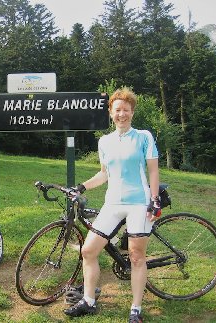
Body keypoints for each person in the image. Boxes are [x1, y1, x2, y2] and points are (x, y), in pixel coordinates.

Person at [63, 87, 161, 323]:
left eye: (126, 110)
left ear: (132, 112)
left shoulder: (144, 137)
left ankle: (135, 309)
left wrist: (154, 200)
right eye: (117, 110)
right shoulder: (104, 141)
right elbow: (104, 174)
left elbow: (153, 170)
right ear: (111, 113)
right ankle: (88, 300)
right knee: (88, 251)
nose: (122, 114)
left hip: (138, 202)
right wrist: (82, 186)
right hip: (113, 203)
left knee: (137, 256)